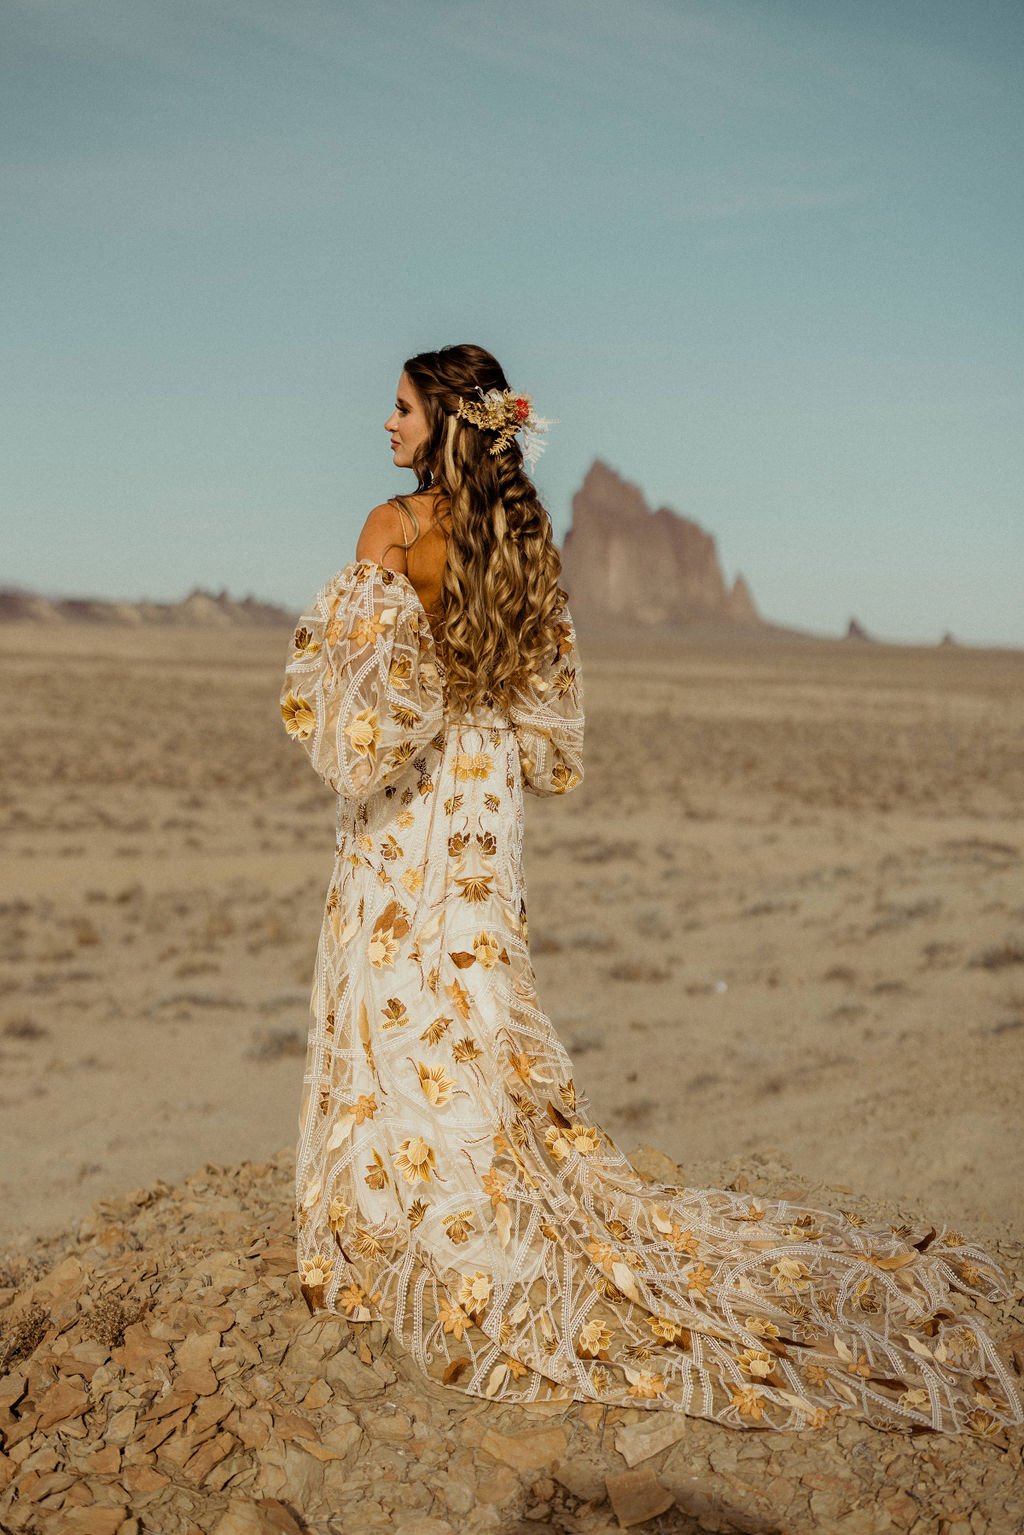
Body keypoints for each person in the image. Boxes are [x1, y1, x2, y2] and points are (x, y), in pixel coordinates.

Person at [280, 343, 1021, 1435]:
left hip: (417, 806)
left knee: (400, 989)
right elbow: (542, 717)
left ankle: (405, 1220)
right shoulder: (522, 537)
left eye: (397, 409)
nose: (381, 426)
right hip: (487, 806)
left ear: (445, 419)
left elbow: (364, 718)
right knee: (474, 1002)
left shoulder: (389, 530)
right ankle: (474, 1188)